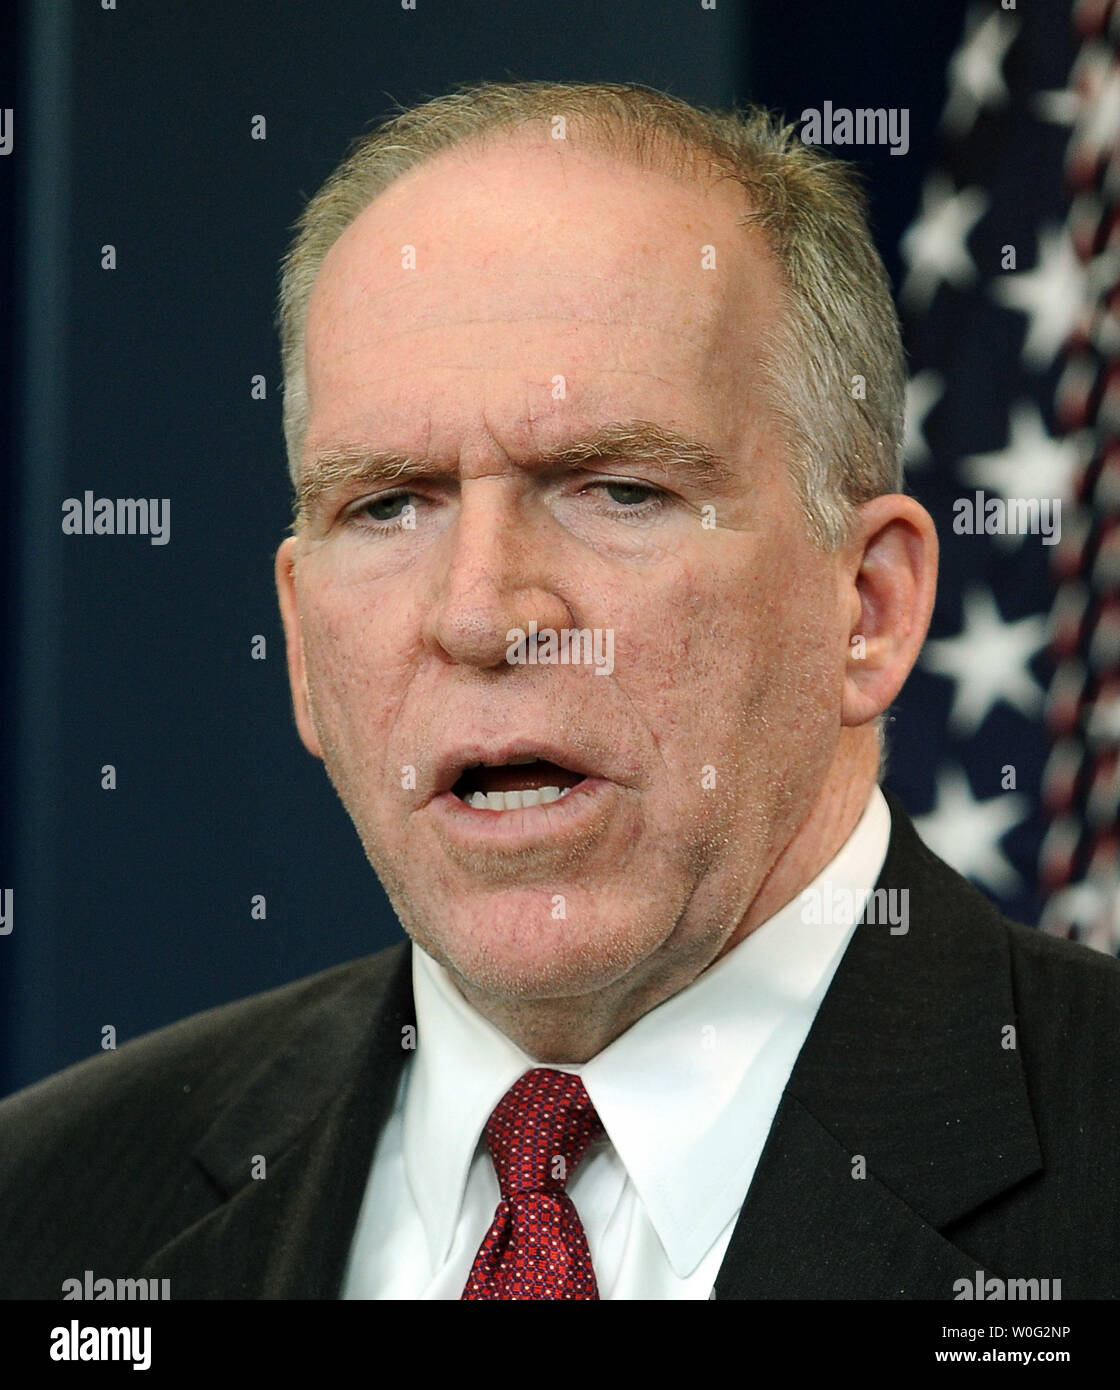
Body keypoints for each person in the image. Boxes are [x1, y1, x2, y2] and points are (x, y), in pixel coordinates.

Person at [2, 79, 1118, 1301]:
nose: (481, 614)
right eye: (387, 505)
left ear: (867, 608)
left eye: (616, 489)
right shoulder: (49, 1208)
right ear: (305, 651)